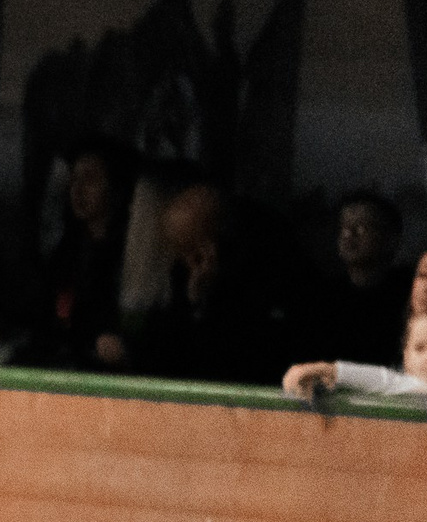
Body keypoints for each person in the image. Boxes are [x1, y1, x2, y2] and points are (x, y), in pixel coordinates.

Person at [127, 180, 292, 384]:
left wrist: (206, 301)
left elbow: (241, 355)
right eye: (178, 251)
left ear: (211, 244)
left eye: (189, 249)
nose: (184, 260)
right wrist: (192, 301)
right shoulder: (182, 273)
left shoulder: (262, 275)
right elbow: (164, 350)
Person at [26, 138, 135, 371]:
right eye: (73, 180)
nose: (77, 190)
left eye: (90, 180)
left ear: (116, 188)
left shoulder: (130, 253)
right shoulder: (69, 245)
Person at [283, 310, 427, 424]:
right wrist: (315, 369)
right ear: (406, 355)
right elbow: (362, 375)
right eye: (420, 348)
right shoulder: (396, 382)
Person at [313, 190, 412, 365]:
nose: (348, 235)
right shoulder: (324, 295)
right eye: (343, 228)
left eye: (360, 228)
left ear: (390, 239)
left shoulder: (409, 292)